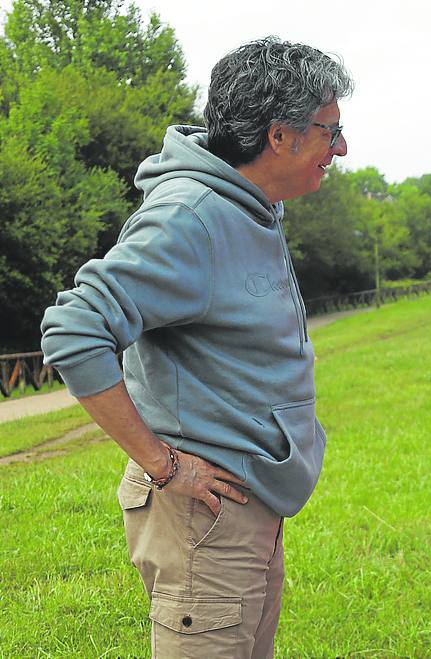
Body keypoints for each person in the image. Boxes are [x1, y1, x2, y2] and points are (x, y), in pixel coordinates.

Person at [39, 38, 351, 656]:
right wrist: (165, 465)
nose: (340, 148)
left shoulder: (252, 207)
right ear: (279, 135)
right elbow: (74, 329)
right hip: (203, 516)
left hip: (242, 509)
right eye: (329, 131)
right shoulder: (192, 216)